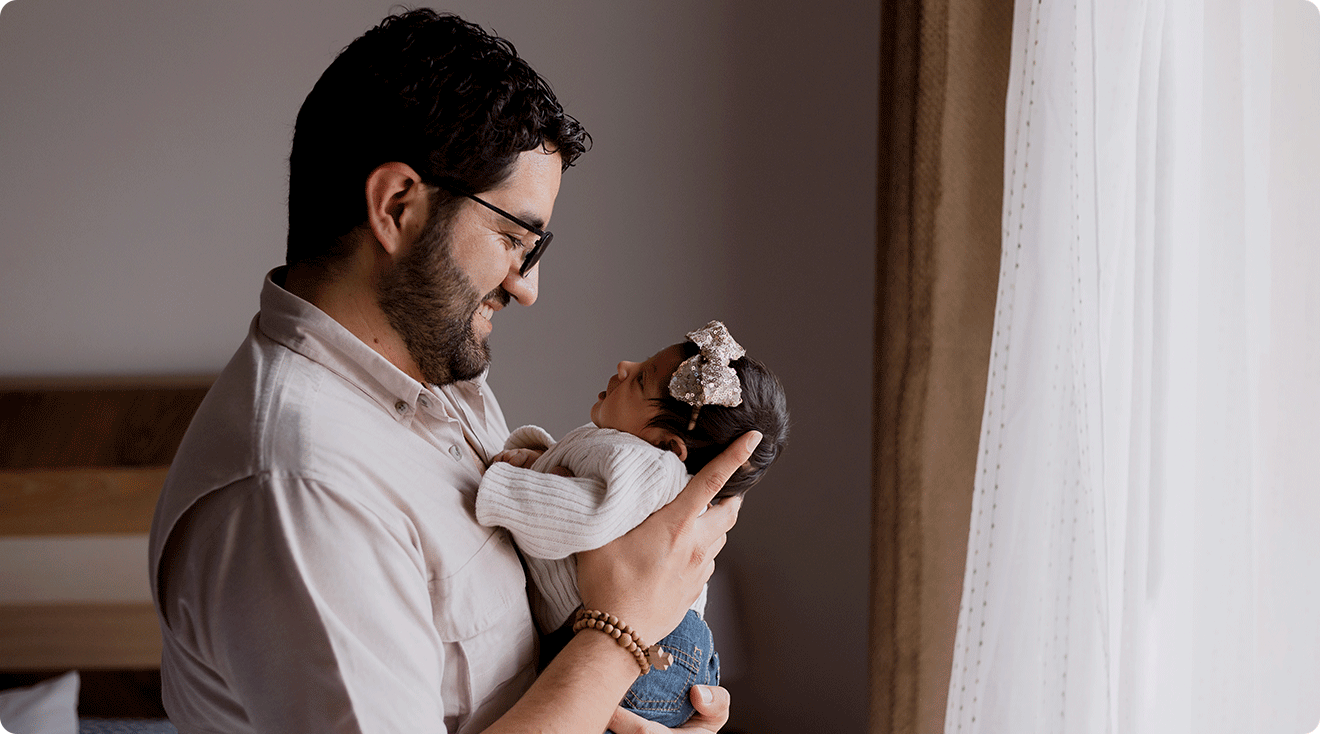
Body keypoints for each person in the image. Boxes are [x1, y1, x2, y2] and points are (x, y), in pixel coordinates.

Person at [147, 10, 752, 734]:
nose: (526, 285)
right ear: (397, 207)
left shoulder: (438, 381)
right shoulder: (302, 490)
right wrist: (619, 635)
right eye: (513, 238)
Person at [476, 320, 789, 730]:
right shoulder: (635, 455)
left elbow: (586, 516)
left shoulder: (649, 465)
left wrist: (499, 487)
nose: (624, 365)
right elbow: (585, 484)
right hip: (652, 647)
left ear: (666, 445)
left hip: (655, 655)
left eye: (641, 379)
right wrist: (538, 460)